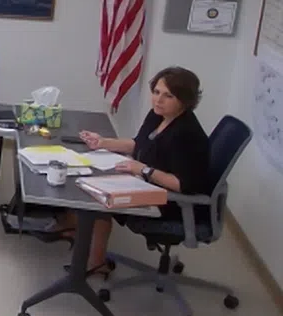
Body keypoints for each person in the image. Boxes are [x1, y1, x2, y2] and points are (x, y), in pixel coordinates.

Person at [61, 67, 211, 276]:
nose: (158, 100)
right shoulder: (159, 115)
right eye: (156, 92)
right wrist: (103, 143)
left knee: (98, 200)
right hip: (148, 183)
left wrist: (144, 170)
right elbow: (139, 144)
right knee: (84, 177)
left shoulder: (186, 134)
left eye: (168, 96)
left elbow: (183, 184)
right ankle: (71, 229)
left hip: (172, 204)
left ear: (185, 101)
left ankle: (96, 263)